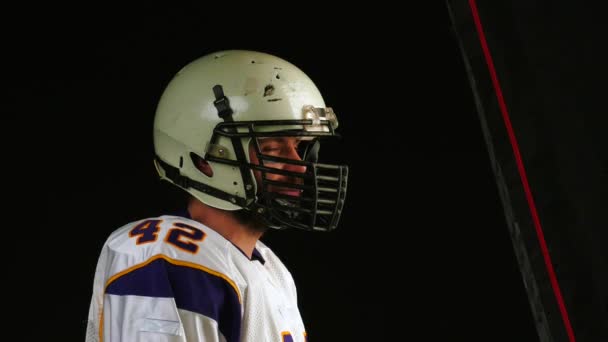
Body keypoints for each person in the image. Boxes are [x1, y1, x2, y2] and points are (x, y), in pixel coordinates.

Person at [85, 49, 349, 342]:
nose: (299, 168)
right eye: (272, 150)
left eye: (299, 146)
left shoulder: (270, 268)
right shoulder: (166, 256)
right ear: (203, 160)